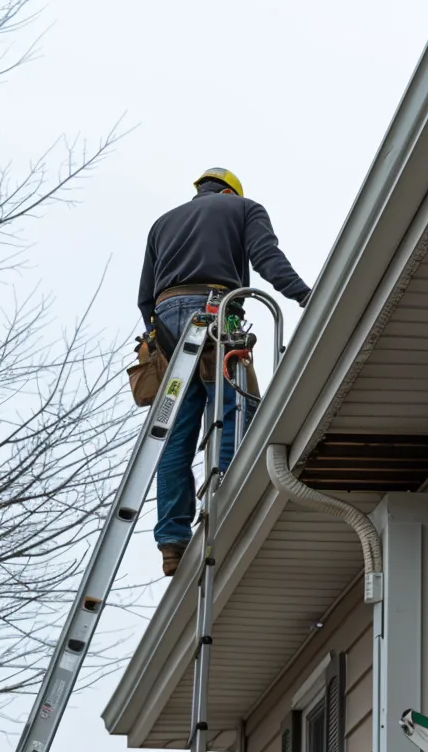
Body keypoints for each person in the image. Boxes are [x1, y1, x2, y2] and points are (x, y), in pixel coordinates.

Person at [139, 167, 311, 576]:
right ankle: (229, 500)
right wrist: (305, 294)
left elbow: (145, 297)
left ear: (198, 190)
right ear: (232, 191)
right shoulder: (244, 208)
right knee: (233, 407)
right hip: (218, 309)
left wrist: (162, 338)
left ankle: (172, 540)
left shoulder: (162, 223)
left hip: (166, 320)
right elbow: (268, 259)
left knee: (175, 430)